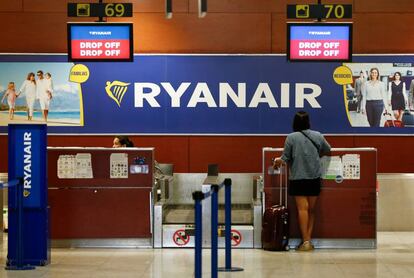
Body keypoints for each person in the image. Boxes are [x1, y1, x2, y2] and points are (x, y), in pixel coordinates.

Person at [273, 111, 331, 251]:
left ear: (295, 122)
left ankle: (305, 241)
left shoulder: (291, 138)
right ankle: (308, 241)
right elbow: (328, 149)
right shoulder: (318, 135)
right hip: (314, 177)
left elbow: (285, 158)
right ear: (308, 122)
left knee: (302, 209)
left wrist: (276, 161)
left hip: (298, 178)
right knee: (311, 210)